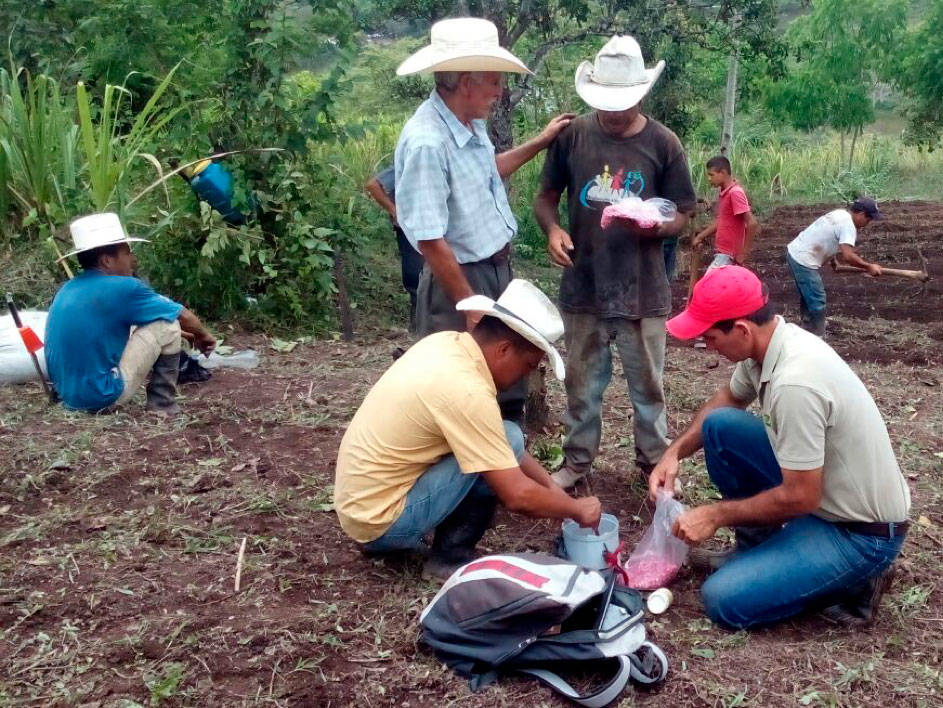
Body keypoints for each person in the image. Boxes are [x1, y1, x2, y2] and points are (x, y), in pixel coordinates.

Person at [649, 265, 910, 630]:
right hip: (827, 496)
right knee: (720, 426)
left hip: (859, 533)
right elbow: (728, 399)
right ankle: (757, 552)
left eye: (710, 337)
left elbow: (801, 497)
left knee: (724, 600)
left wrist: (715, 515)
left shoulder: (795, 384)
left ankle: (856, 582)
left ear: (742, 329)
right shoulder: (770, 344)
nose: (708, 346)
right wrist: (673, 453)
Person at [334, 279, 602, 579]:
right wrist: (576, 510)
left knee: (507, 436)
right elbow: (517, 494)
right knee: (504, 447)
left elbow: (499, 441)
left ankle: (391, 538)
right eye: (528, 365)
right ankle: (449, 558)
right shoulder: (468, 391)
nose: (525, 377)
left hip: (361, 508)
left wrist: (553, 491)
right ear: (504, 349)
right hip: (381, 522)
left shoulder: (447, 345)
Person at [533, 35, 696, 487]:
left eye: (623, 104)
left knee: (649, 389)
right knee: (581, 385)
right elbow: (545, 198)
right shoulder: (573, 137)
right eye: (606, 104)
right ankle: (576, 463)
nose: (614, 113)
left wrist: (656, 226)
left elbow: (683, 213)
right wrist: (553, 230)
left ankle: (653, 465)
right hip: (584, 283)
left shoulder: (664, 143)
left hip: (642, 289)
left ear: (641, 95)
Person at [394, 17, 573, 421]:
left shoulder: (468, 125)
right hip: (459, 279)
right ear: (464, 82)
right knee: (457, 389)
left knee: (503, 381)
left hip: (493, 271)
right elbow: (430, 239)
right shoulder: (427, 143)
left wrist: (540, 141)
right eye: (493, 80)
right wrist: (470, 304)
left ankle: (503, 453)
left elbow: (485, 173)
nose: (499, 90)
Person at [45, 213, 217, 414]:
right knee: (167, 326)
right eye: (127, 253)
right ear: (107, 260)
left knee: (152, 323)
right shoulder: (126, 287)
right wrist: (204, 335)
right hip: (101, 396)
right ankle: (162, 403)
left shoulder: (67, 289)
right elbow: (182, 315)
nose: (132, 259)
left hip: (67, 397)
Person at [786, 197, 884, 336]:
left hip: (795, 252)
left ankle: (808, 329)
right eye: (869, 219)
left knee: (808, 297)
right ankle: (818, 336)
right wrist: (869, 267)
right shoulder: (849, 226)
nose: (868, 223)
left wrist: (833, 260)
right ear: (861, 214)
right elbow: (848, 256)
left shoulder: (840, 213)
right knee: (817, 299)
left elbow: (826, 235)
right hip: (803, 260)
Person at [365, 165, 424, 332]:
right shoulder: (406, 165)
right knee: (415, 279)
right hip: (411, 229)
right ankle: (418, 328)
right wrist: (395, 211)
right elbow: (373, 185)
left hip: (428, 228)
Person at [692, 155, 759, 269]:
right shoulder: (725, 193)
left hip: (729, 256)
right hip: (723, 253)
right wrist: (700, 237)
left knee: (711, 280)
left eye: (711, 175)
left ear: (722, 172)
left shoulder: (735, 193)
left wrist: (743, 254)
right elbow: (720, 221)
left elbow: (752, 223)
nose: (709, 179)